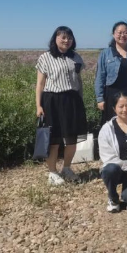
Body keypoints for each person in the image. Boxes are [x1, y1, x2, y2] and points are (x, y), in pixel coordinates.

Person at [35, 26, 87, 185]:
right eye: (63, 37)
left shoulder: (76, 57)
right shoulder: (45, 57)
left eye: (69, 38)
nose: (66, 40)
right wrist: (38, 106)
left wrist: (80, 100)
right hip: (52, 100)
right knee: (54, 139)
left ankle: (67, 168)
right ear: (55, 38)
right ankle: (52, 172)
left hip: (72, 100)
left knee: (72, 138)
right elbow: (40, 84)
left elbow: (78, 81)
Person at [95, 21, 127, 123]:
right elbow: (100, 77)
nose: (122, 35)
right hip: (112, 94)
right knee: (112, 124)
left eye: (126, 32)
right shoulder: (105, 53)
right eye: (119, 32)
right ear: (113, 34)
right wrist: (100, 98)